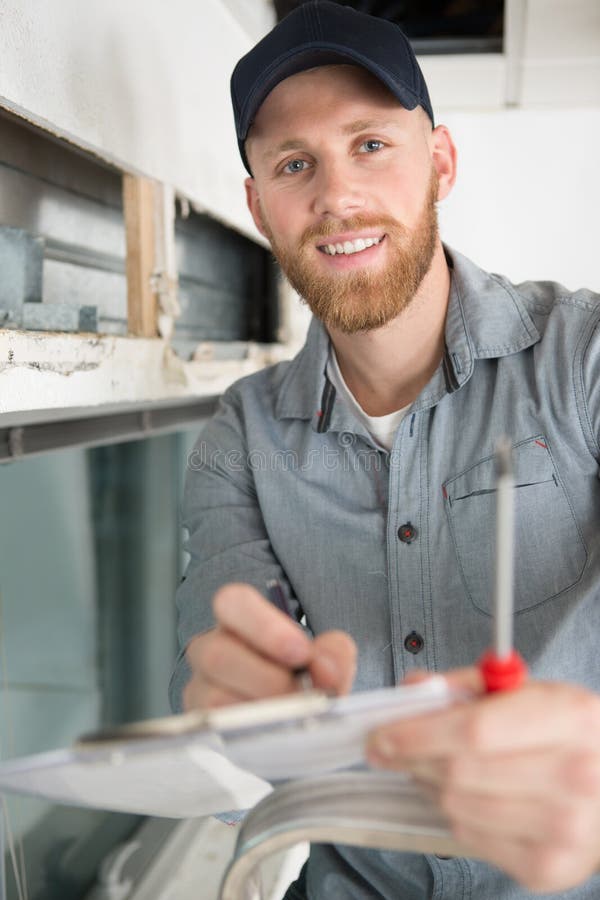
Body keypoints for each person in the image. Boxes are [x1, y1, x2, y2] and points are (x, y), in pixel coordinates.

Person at [169, 2, 600, 897]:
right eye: (296, 165)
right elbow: (230, 749)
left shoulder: (585, 360)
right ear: (257, 206)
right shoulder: (237, 445)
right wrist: (228, 725)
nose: (336, 198)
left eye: (371, 144)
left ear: (439, 160)